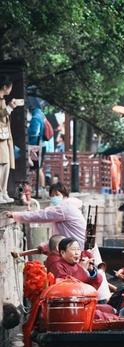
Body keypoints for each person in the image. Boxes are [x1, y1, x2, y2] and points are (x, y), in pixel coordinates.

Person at [6, 182, 87, 247]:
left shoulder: (64, 208)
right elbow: (60, 235)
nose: (54, 198)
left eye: (56, 195)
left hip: (76, 249)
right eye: (52, 196)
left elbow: (40, 216)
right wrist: (47, 247)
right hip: (74, 247)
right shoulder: (69, 205)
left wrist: (15, 215)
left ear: (62, 194)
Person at [0, 75, 21, 204]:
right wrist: (10, 107)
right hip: (1, 137)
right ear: (5, 86)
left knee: (6, 164)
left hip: (4, 136)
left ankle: (4, 192)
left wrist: (8, 106)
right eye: (10, 87)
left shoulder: (2, 99)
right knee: (2, 164)